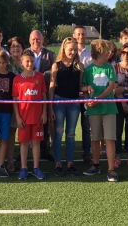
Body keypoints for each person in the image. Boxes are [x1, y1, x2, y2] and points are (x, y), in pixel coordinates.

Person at [82, 39, 119, 182]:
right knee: (95, 138)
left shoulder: (109, 68)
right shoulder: (88, 70)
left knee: (109, 139)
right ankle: (95, 165)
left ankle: (111, 170)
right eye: (106, 50)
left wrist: (99, 98)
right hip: (94, 110)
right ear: (99, 52)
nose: (109, 53)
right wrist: (87, 100)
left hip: (109, 108)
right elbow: (84, 88)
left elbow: (111, 86)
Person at [48, 37, 83, 176]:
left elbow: (80, 86)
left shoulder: (80, 66)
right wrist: (50, 107)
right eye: (70, 49)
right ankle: (58, 163)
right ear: (64, 49)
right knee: (58, 133)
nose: (73, 52)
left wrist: (87, 89)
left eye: (75, 49)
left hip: (74, 103)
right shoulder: (56, 65)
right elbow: (51, 87)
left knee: (71, 134)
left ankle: (70, 163)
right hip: (59, 102)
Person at [13, 49, 47, 180]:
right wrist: (17, 116)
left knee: (36, 142)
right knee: (24, 143)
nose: (29, 63)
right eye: (27, 61)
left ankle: (36, 168)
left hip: (37, 117)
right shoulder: (17, 80)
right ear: (21, 62)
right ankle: (23, 168)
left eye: (32, 61)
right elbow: (15, 100)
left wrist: (44, 112)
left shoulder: (39, 77)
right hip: (23, 118)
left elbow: (44, 96)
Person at [28, 30, 55, 162]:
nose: (36, 41)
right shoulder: (25, 53)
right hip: (27, 94)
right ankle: (26, 150)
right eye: (33, 39)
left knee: (44, 122)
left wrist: (41, 75)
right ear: (29, 40)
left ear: (43, 40)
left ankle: (45, 150)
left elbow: (54, 70)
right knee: (27, 123)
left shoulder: (50, 54)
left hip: (43, 92)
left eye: (38, 39)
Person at [5, 36, 26, 172]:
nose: (16, 48)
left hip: (26, 104)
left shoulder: (28, 64)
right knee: (11, 132)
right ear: (9, 49)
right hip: (10, 103)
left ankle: (23, 158)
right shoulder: (5, 64)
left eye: (18, 46)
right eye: (13, 46)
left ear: (23, 48)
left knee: (25, 132)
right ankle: (10, 160)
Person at [73, 26, 92, 165]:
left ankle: (86, 153)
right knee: (71, 127)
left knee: (86, 127)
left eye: (83, 34)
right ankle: (69, 154)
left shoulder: (91, 54)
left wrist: (85, 91)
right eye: (78, 34)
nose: (81, 36)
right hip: (72, 96)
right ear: (74, 36)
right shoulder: (69, 52)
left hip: (86, 96)